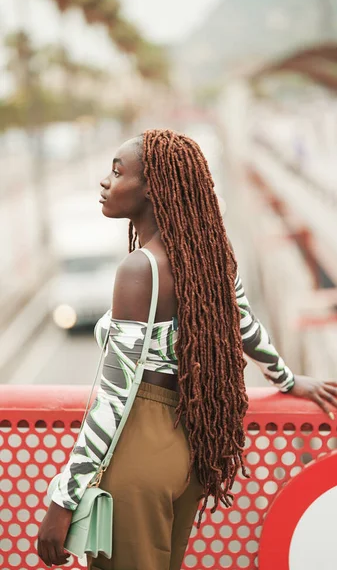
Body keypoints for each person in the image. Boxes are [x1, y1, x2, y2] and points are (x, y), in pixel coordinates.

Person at [37, 129, 337, 570]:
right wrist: (287, 380)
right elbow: (245, 325)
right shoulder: (208, 256)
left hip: (142, 446)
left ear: (153, 189)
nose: (105, 182)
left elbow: (114, 395)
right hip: (189, 444)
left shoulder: (140, 270)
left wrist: (64, 498)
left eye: (118, 172)